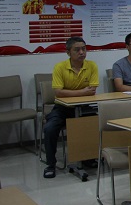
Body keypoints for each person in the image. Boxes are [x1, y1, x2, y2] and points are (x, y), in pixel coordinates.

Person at [42, 37, 99, 178]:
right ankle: (50, 164)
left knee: (95, 123)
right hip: (62, 108)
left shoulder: (92, 65)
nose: (81, 52)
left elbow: (92, 91)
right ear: (68, 52)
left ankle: (88, 158)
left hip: (84, 107)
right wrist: (82, 92)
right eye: (77, 50)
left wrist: (72, 93)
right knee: (50, 129)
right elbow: (58, 92)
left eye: (84, 49)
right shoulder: (60, 67)